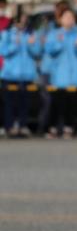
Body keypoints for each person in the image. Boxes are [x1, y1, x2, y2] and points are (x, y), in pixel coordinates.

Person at [42, 7, 77, 138]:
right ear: (60, 19)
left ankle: (69, 128)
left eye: (71, 17)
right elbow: (50, 51)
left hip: (74, 75)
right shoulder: (54, 34)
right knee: (56, 102)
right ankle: (52, 127)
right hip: (58, 75)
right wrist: (59, 43)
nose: (69, 20)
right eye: (66, 17)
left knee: (71, 103)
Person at [0, 9, 40, 137]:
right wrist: (15, 45)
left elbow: (37, 53)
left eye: (25, 18)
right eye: (20, 18)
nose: (23, 21)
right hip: (10, 75)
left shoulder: (31, 34)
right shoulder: (6, 33)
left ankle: (22, 126)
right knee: (10, 103)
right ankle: (9, 126)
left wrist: (31, 45)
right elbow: (3, 51)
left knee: (25, 103)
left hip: (27, 74)